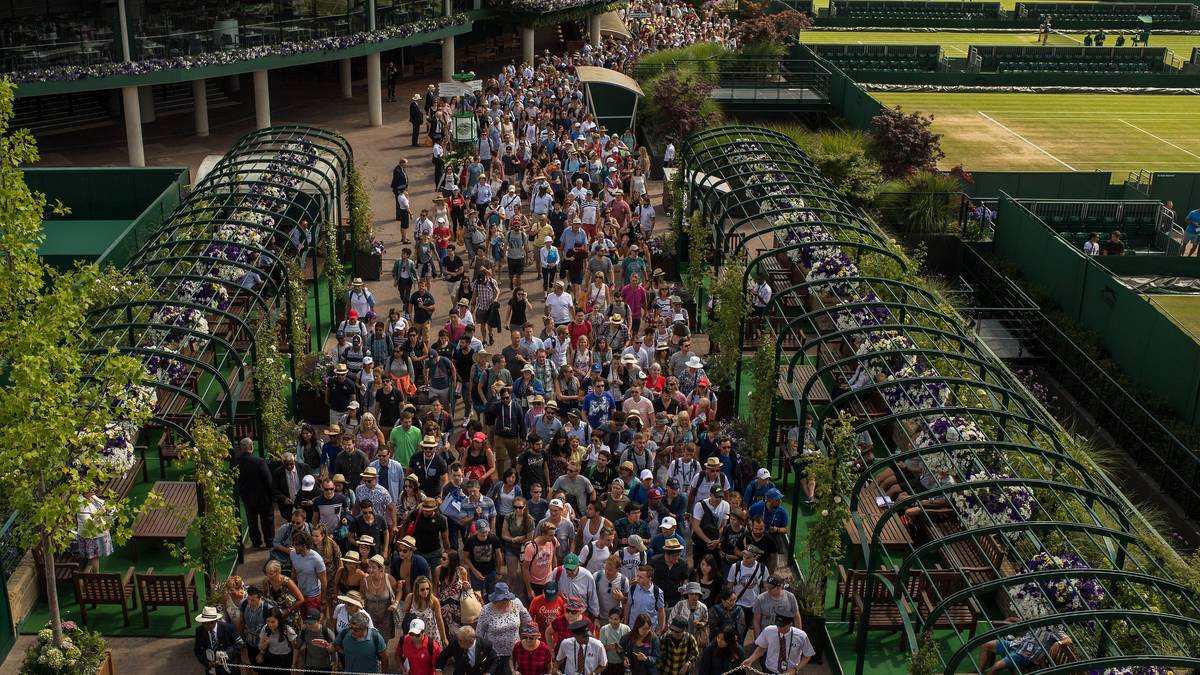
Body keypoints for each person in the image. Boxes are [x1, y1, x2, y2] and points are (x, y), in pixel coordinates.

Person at [475, 582, 533, 671]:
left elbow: (528, 622)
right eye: (502, 600)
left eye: (507, 599)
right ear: (495, 600)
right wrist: (480, 653)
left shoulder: (516, 603)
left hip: (514, 652)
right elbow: (479, 633)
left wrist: (528, 641)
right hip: (493, 654)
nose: (505, 602)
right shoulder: (486, 610)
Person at [978, 624, 1073, 673]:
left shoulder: (1055, 629)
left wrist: (1058, 643)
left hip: (1026, 655)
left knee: (996, 666)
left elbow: (1069, 640)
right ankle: (980, 672)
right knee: (986, 645)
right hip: (1016, 644)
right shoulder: (1041, 620)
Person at [741, 613, 814, 673]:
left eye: (782, 626)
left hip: (790, 672)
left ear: (790, 624)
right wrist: (750, 659)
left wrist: (796, 669)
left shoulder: (801, 636)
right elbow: (762, 648)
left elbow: (807, 656)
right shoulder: (768, 631)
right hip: (769, 670)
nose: (779, 628)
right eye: (778, 625)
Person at [236, 437, 274, 549]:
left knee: (252, 521)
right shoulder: (259, 462)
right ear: (251, 447)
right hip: (263, 498)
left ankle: (256, 543)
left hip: (247, 498)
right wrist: (271, 496)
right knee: (267, 520)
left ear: (240, 449)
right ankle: (269, 542)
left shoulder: (237, 462)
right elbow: (268, 480)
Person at [193, 606, 244, 675]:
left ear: (216, 620)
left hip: (230, 669)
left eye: (211, 623)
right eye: (205, 623)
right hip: (212, 671)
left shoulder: (228, 628)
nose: (208, 626)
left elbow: (240, 643)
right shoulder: (199, 631)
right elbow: (198, 651)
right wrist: (207, 663)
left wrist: (227, 653)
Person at [435, 625, 499, 675]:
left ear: (469, 642)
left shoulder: (485, 645)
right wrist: (439, 670)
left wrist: (489, 673)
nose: (458, 641)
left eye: (460, 640)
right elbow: (443, 656)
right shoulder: (454, 643)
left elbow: (495, 659)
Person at [256, 606, 299, 671]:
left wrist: (294, 664)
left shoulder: (287, 630)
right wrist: (265, 644)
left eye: (273, 622)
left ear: (279, 620)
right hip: (271, 657)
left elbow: (295, 648)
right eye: (268, 621)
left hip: (285, 658)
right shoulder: (265, 628)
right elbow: (260, 646)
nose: (270, 624)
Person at [298, 607, 338, 673]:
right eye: (307, 622)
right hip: (309, 666)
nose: (308, 625)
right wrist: (294, 663)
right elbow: (297, 647)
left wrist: (334, 667)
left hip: (325, 666)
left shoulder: (327, 632)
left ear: (319, 620)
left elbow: (334, 650)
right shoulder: (304, 632)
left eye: (311, 623)